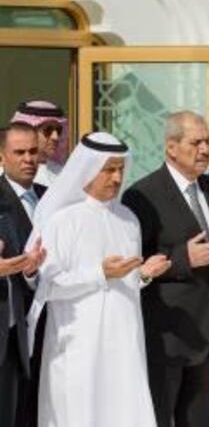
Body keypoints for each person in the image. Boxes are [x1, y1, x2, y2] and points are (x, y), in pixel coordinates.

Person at [26, 132, 172, 427]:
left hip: (124, 341)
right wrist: (100, 273)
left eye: (120, 169)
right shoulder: (62, 220)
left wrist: (143, 274)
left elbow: (126, 281)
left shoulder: (129, 218)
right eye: (109, 169)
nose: (117, 177)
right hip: (79, 344)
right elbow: (49, 285)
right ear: (88, 169)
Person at [122, 111, 209, 427]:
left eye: (208, 141)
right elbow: (137, 263)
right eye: (195, 142)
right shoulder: (142, 195)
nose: (204, 149)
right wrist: (183, 258)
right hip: (165, 333)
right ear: (171, 147)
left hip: (207, 332)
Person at [0, 123, 47, 426]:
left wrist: (32, 272)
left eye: (33, 151)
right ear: (2, 156)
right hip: (7, 333)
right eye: (19, 152)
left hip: (48, 331)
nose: (28, 159)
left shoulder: (53, 199)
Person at [11, 101, 68, 187]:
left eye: (58, 130)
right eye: (48, 130)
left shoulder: (64, 173)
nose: (55, 137)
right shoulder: (7, 173)